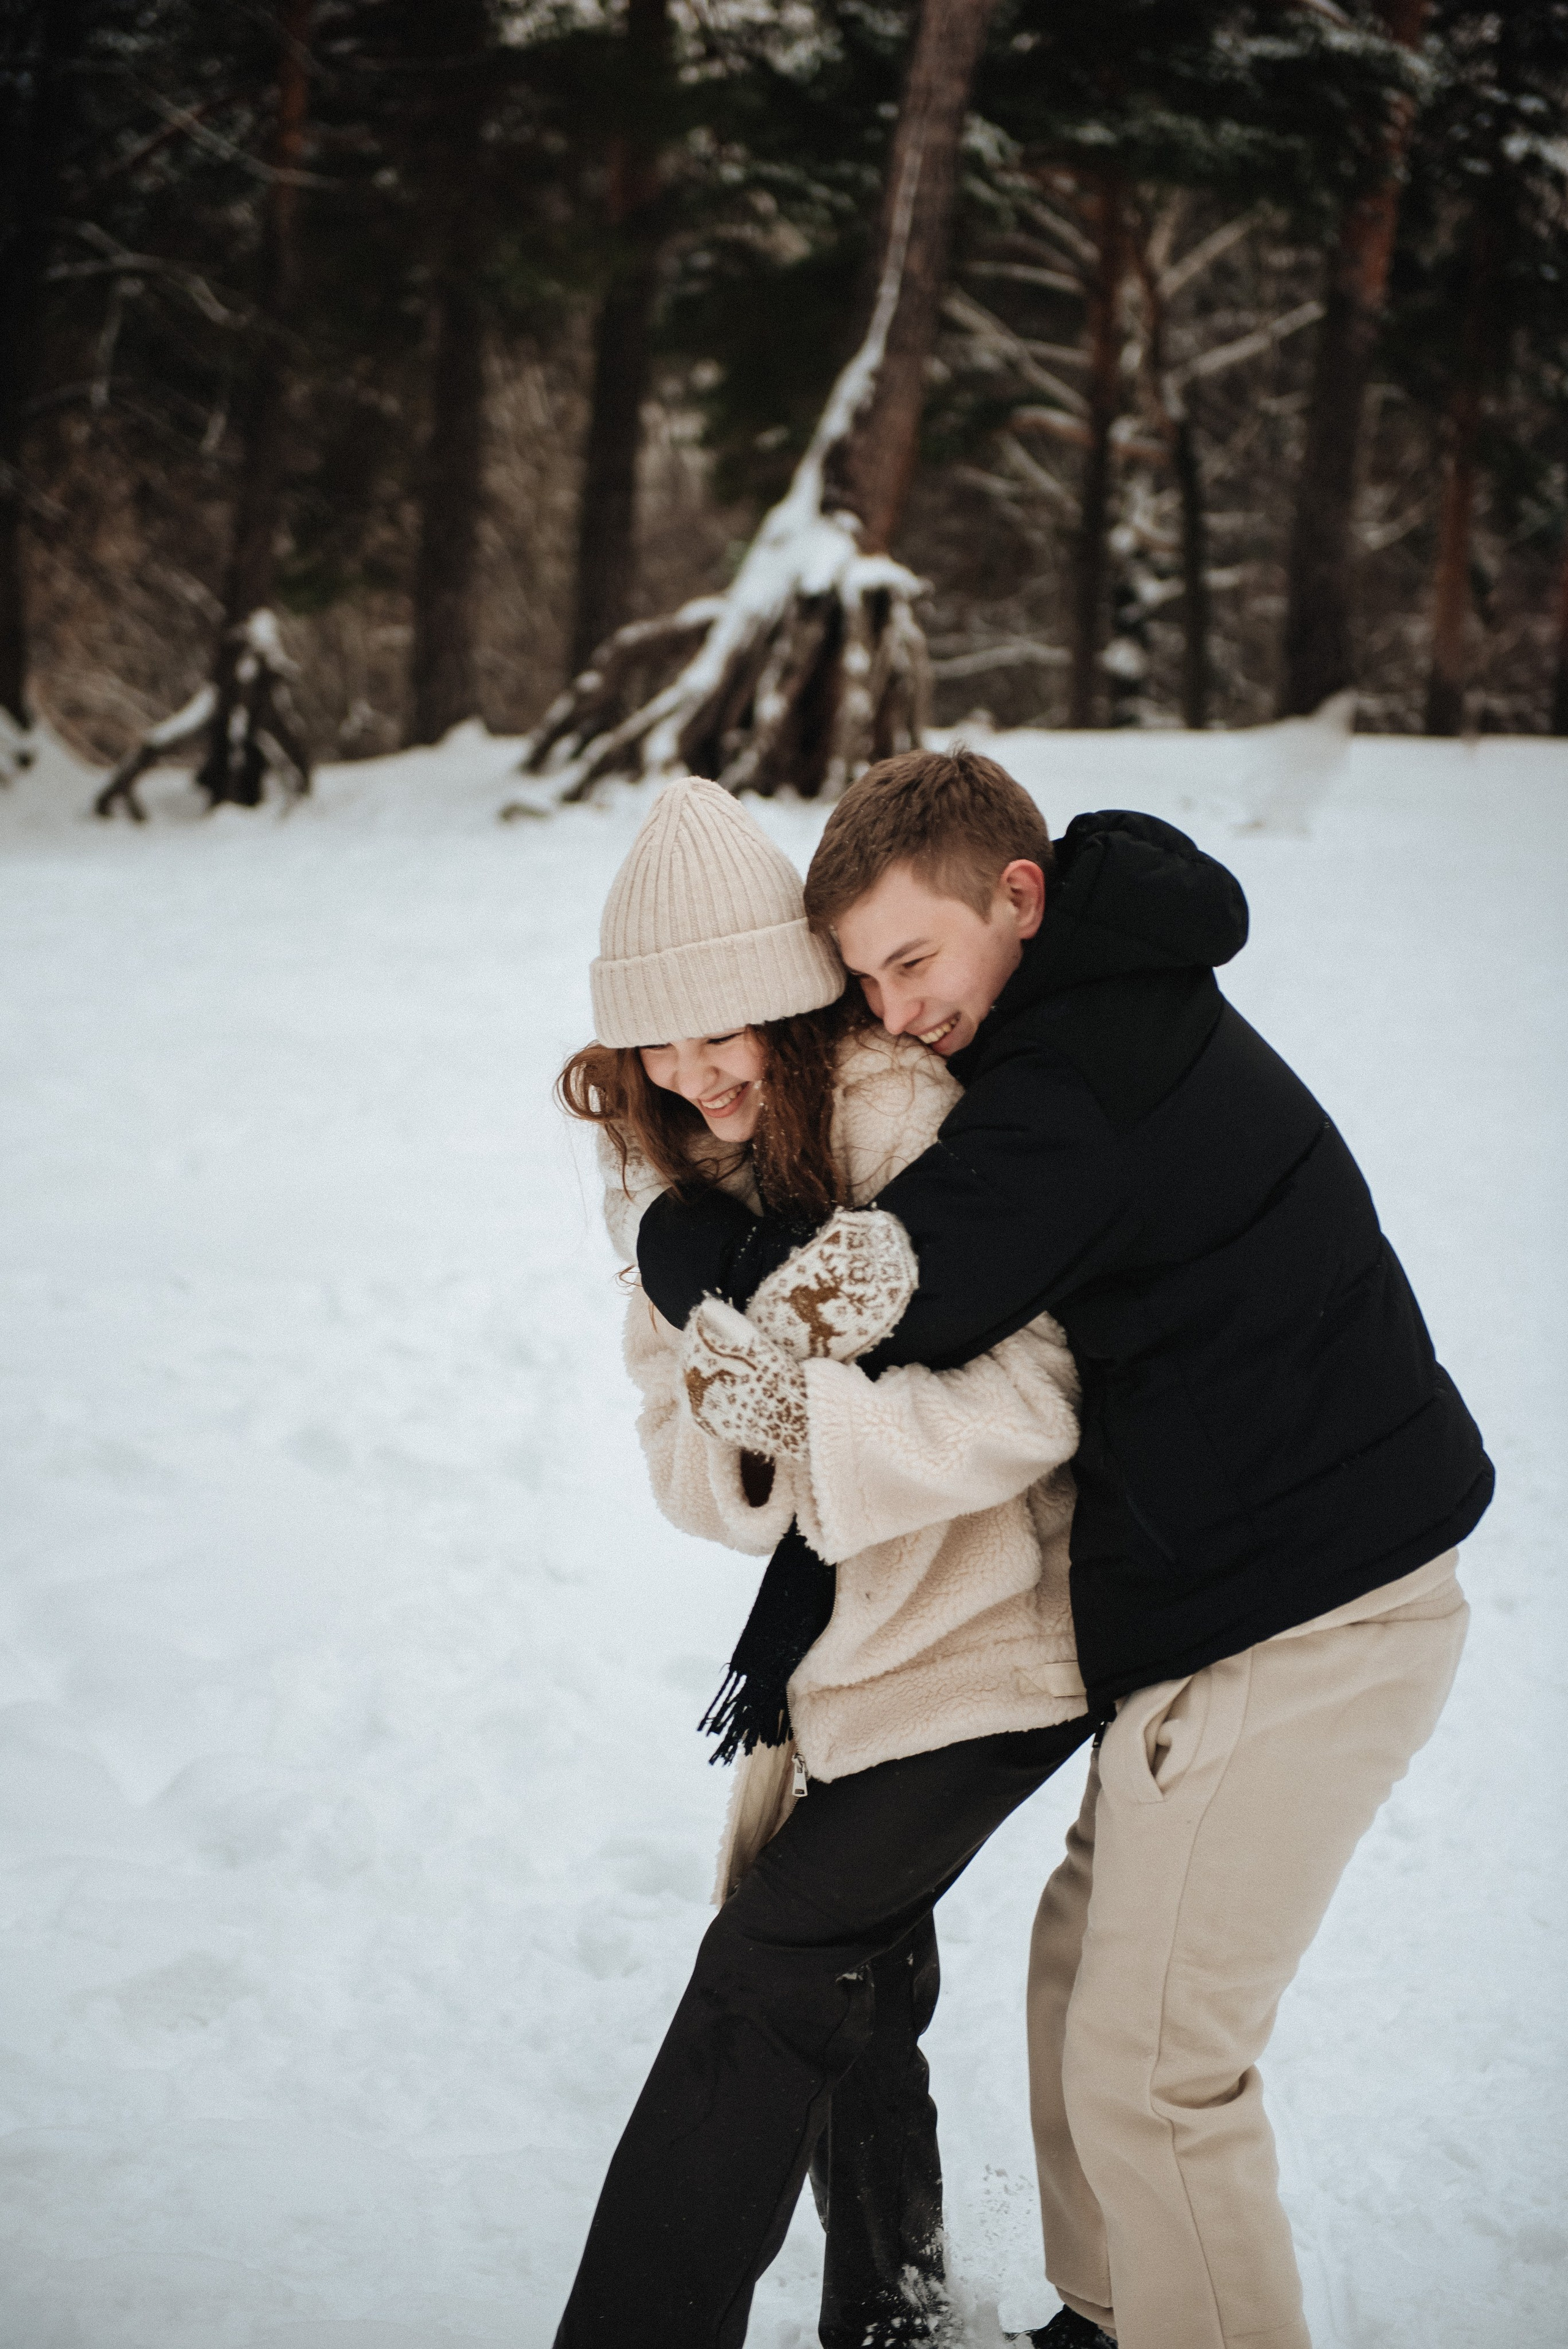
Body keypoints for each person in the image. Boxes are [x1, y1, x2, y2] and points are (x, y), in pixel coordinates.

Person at [633, 748, 1493, 2349]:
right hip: (1241, 1599)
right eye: (863, 977)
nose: (891, 1010)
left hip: (1310, 1610)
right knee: (1079, 1978)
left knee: (1158, 2069)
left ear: (1017, 898)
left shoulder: (1080, 1076)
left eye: (913, 959)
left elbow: (920, 1280)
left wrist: (711, 1257)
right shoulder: (1083, 1012)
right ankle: (1107, 2320)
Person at [554, 775, 1093, 2349]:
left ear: (787, 1002)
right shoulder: (671, 1190)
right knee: (856, 1997)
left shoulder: (890, 1119)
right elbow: (680, 1450)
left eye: (725, 1024)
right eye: (658, 1037)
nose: (695, 1068)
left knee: (767, 1969)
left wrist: (809, 1407)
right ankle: (892, 2312)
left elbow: (1036, 1393)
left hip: (994, 1644)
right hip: (848, 1665)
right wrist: (742, 1419)